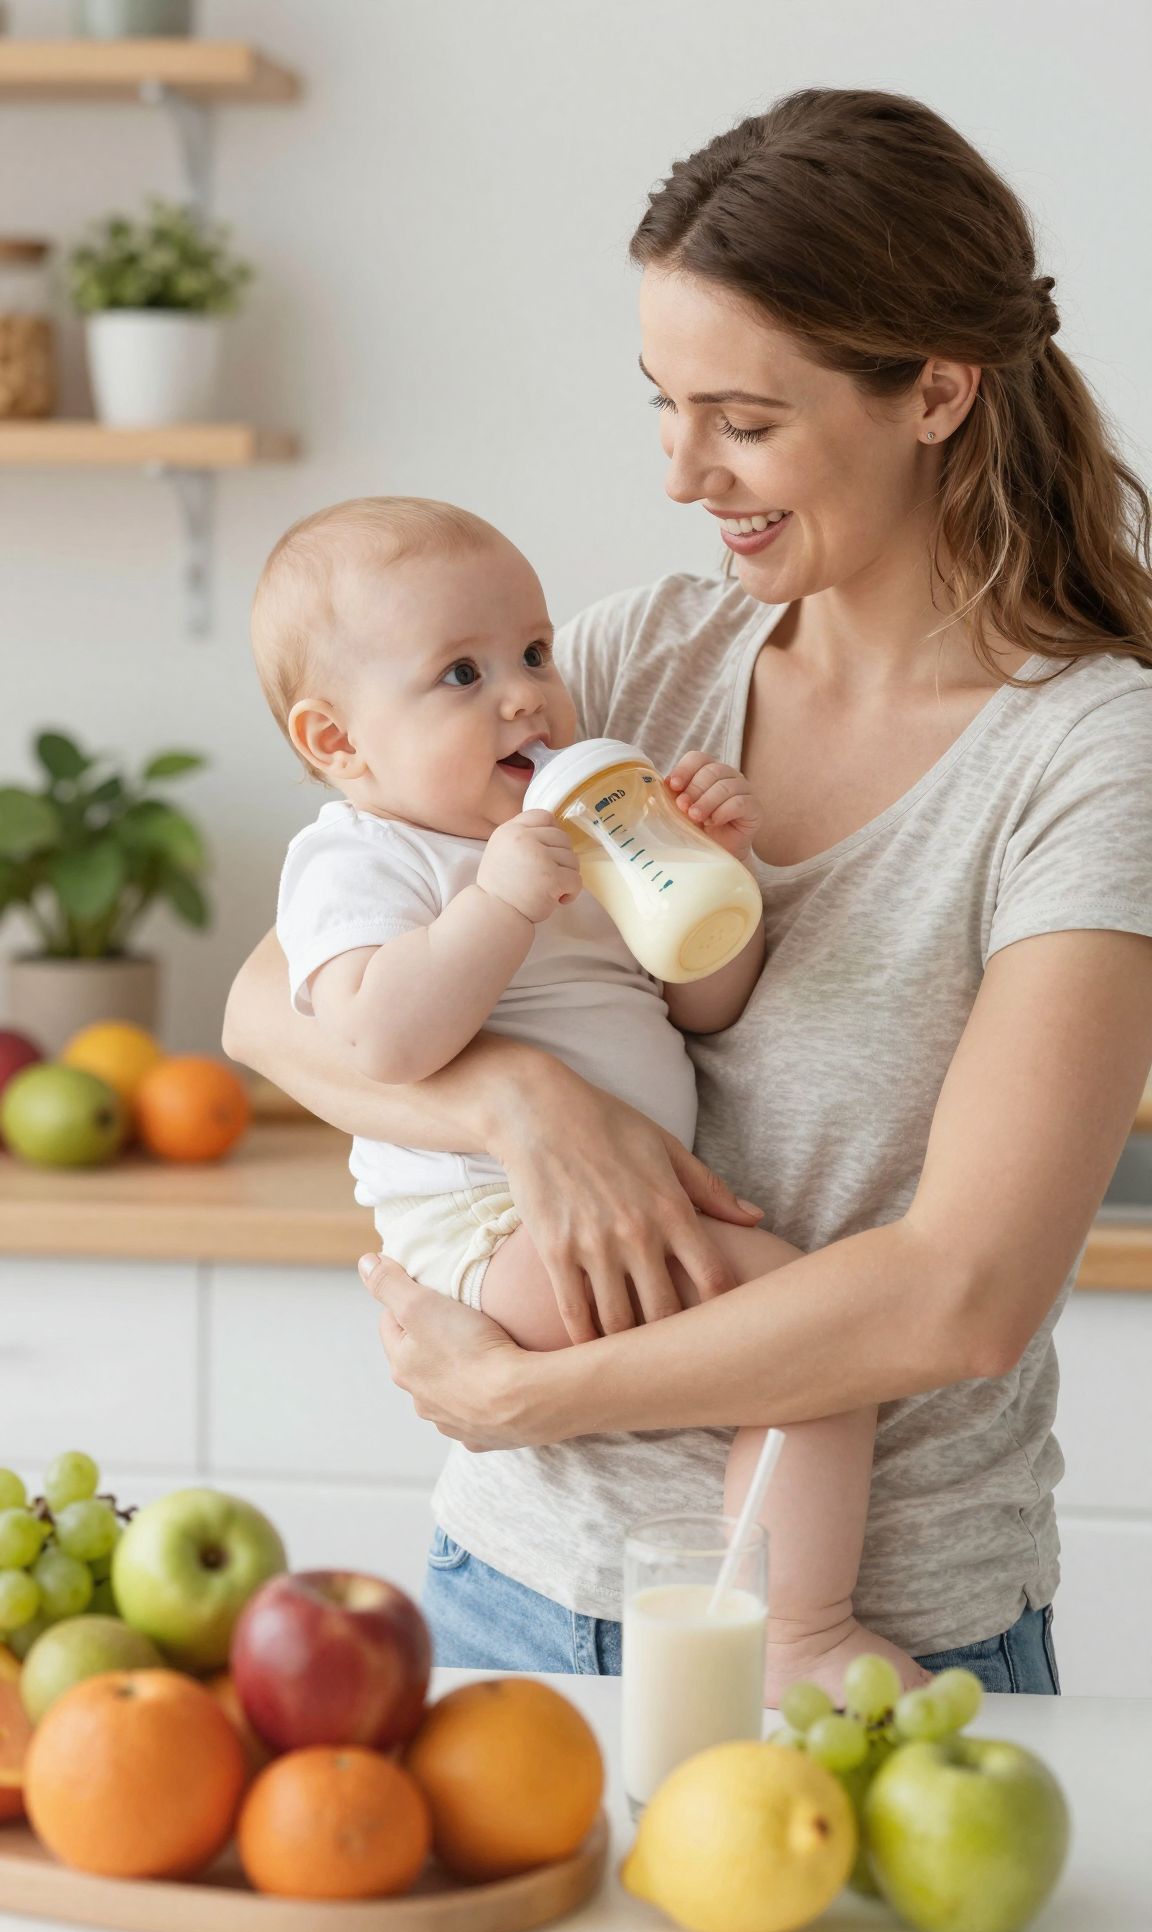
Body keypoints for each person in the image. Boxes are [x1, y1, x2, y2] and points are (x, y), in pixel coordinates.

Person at [224, 87, 1152, 1692]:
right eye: (661, 404)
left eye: (743, 417)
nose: (681, 475)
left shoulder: (1087, 757)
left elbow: (963, 1302)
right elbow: (276, 1002)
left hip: (878, 1649)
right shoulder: (630, 661)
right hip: (514, 1589)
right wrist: (523, 1106)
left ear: (936, 390)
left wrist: (530, 1397)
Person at [252, 492, 926, 1700]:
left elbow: (705, 1007)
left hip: (595, 1207)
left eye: (532, 651)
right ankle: (799, 1632)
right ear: (338, 741)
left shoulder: (576, 828)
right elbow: (380, 1038)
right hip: (490, 1227)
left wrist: (720, 875)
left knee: (811, 1340)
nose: (525, 693)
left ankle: (780, 1616)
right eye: (459, 673)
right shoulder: (364, 858)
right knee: (825, 1344)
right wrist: (498, 906)